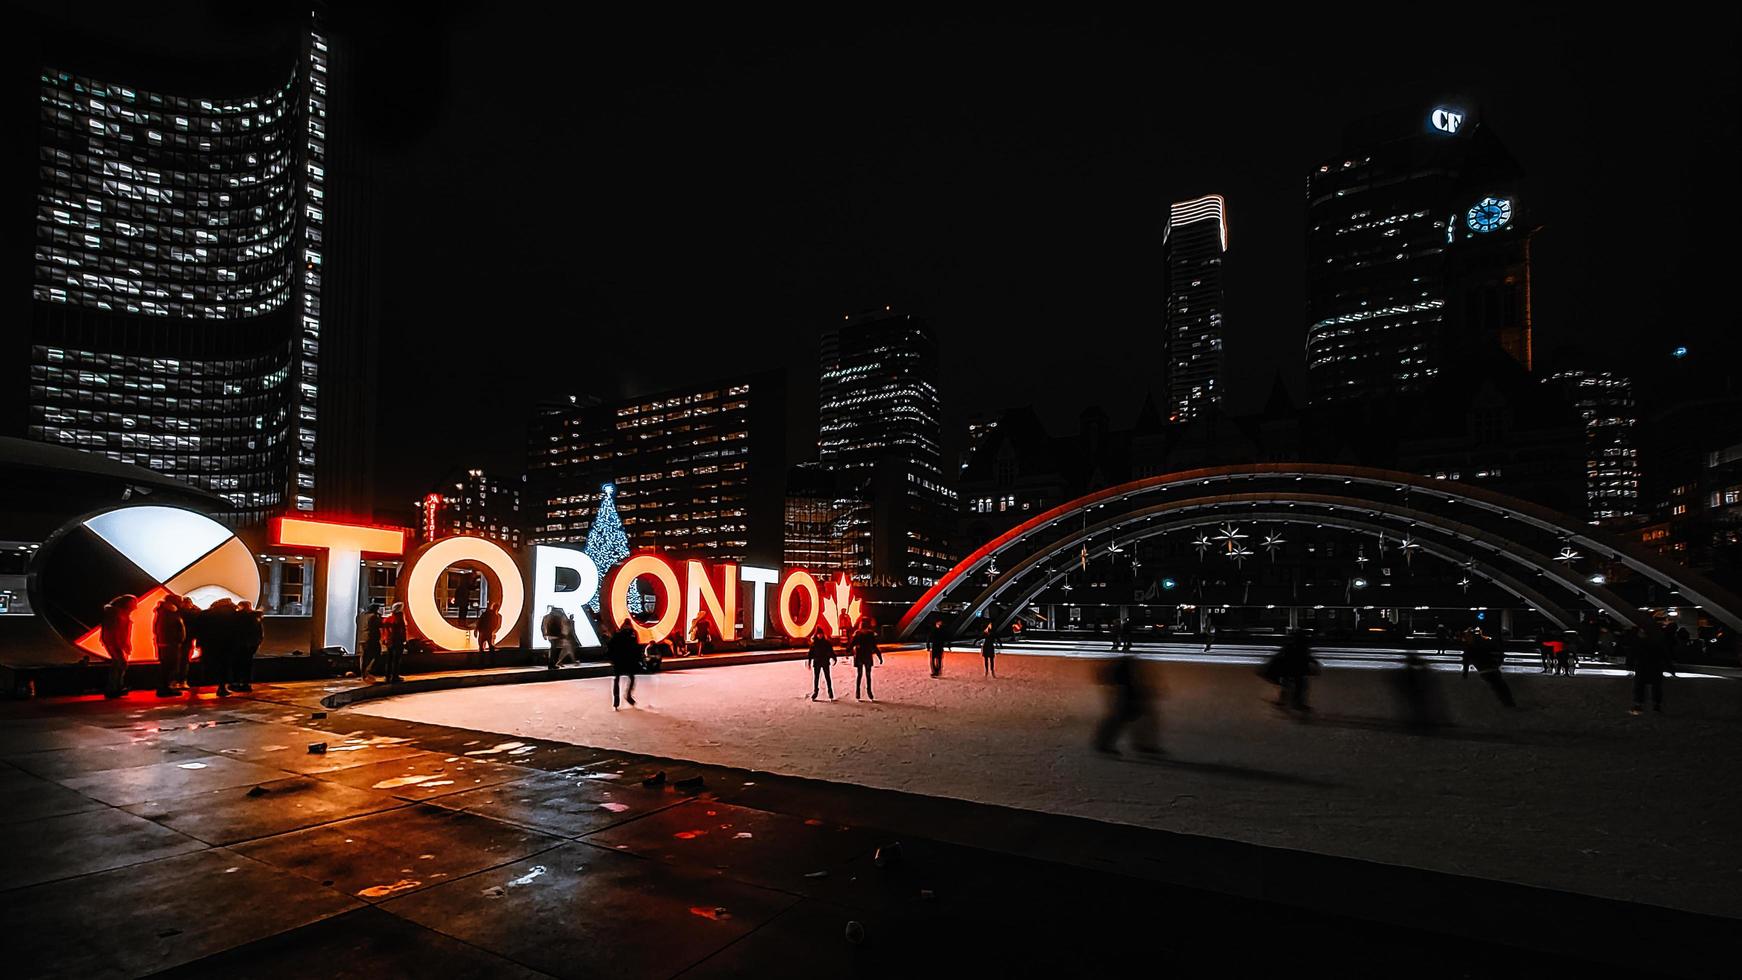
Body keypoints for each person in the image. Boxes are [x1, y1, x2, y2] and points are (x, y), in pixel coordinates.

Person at [1093, 653, 1162, 755]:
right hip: (1128, 689)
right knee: (1126, 716)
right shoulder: (1126, 663)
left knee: (1125, 716)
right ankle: (1104, 743)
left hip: (1128, 687)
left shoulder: (1125, 663)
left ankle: (1103, 743)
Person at [1629, 626, 1677, 715]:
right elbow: (1665, 656)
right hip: (1655, 667)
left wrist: (1629, 666)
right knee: (1656, 687)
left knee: (1639, 686)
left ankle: (1638, 705)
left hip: (1642, 667)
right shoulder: (1657, 642)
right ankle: (1656, 705)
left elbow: (1632, 654)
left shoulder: (1638, 642)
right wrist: (1671, 668)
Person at [1268, 629, 1317, 713]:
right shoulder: (1302, 647)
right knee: (1299, 687)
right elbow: (1307, 657)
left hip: (1289, 670)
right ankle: (1296, 703)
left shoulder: (1291, 646)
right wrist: (1313, 662)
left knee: (1289, 686)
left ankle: (1285, 702)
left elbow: (1280, 655)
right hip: (1297, 670)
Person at [99, 594, 138, 698]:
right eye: (134, 603)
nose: (136, 606)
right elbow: (113, 630)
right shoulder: (116, 614)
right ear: (127, 604)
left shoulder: (119, 613)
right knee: (120, 663)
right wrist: (118, 643)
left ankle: (116, 687)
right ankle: (113, 688)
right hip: (115, 642)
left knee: (119, 664)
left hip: (117, 642)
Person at [153, 593, 186, 698]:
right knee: (169, 666)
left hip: (170, 643)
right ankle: (165, 688)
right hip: (170, 644)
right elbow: (165, 629)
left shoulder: (167, 612)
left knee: (169, 666)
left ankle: (166, 687)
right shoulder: (168, 613)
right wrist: (173, 640)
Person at [1471, 630, 1515, 708]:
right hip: (1491, 669)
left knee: (1497, 687)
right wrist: (1496, 665)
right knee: (1500, 687)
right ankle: (1507, 703)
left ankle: (1505, 702)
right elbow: (1499, 656)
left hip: (1485, 670)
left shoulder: (1475, 647)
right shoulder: (1489, 646)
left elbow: (1473, 660)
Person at [607, 619, 641, 709]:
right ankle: (627, 696)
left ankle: (616, 701)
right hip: (628, 660)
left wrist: (611, 659)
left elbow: (611, 647)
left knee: (617, 679)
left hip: (619, 660)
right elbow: (636, 648)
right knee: (631, 678)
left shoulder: (618, 634)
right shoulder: (633, 634)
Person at [235, 600, 263, 692]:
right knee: (248, 665)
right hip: (251, 645)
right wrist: (256, 643)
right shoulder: (256, 618)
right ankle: (246, 683)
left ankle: (239, 683)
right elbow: (260, 633)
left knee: (239, 664)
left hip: (241, 645)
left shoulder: (239, 618)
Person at [851, 621, 882, 700]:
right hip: (860, 657)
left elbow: (874, 646)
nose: (863, 630)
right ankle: (858, 691)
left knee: (868, 675)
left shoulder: (870, 636)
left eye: (864, 629)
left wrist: (879, 656)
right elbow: (852, 644)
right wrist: (847, 651)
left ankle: (869, 691)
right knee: (860, 675)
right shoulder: (857, 635)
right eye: (862, 629)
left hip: (867, 657)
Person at [807, 629, 837, 701]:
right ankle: (815, 692)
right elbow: (810, 654)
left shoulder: (826, 643)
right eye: (819, 634)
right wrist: (809, 662)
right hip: (817, 662)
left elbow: (831, 651)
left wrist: (834, 658)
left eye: (821, 634)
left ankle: (830, 692)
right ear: (816, 635)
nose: (820, 635)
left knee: (827, 677)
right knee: (816, 678)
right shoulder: (814, 644)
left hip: (825, 662)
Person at [383, 602, 408, 684]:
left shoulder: (388, 618)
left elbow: (385, 630)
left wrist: (385, 639)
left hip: (389, 641)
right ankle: (394, 677)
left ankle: (387, 676)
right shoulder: (400, 618)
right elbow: (402, 630)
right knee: (396, 660)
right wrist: (404, 640)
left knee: (389, 659)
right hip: (397, 641)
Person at [357, 603, 383, 678]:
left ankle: (363, 672)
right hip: (371, 639)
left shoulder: (361, 616)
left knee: (364, 656)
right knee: (377, 654)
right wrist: (380, 616)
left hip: (362, 638)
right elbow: (380, 624)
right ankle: (368, 670)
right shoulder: (373, 617)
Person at [541, 605, 569, 670]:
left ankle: (552, 664)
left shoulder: (548, 617)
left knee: (555, 649)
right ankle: (552, 664)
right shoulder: (557, 617)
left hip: (553, 635)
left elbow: (543, 626)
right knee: (555, 649)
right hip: (555, 635)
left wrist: (544, 634)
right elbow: (562, 625)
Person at [474, 601, 501, 667]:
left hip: (483, 632)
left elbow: (479, 622)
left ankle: (481, 662)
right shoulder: (496, 616)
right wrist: (492, 631)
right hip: (488, 633)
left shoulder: (486, 613)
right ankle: (492, 662)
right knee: (490, 647)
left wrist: (476, 630)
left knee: (481, 648)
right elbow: (496, 625)